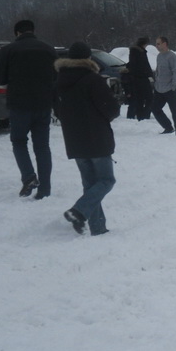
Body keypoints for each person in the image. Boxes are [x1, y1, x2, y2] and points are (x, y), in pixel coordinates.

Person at [54, 42, 119, 236]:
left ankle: (97, 227)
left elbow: (58, 111)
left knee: (90, 184)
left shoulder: (59, 81)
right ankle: (78, 211)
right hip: (96, 137)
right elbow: (111, 109)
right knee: (106, 180)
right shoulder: (93, 80)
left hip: (74, 140)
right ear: (88, 58)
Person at [0, 19, 58, 198]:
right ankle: (45, 189)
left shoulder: (8, 50)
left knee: (19, 141)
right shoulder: (48, 49)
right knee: (42, 146)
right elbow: (56, 76)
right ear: (33, 31)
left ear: (17, 33)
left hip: (19, 104)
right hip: (43, 103)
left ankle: (28, 176)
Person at [152, 36, 176, 137]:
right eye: (156, 44)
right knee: (155, 108)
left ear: (165, 44)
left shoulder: (172, 56)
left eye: (158, 43)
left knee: (175, 112)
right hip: (159, 89)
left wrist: (173, 86)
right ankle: (168, 127)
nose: (156, 46)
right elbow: (158, 71)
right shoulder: (159, 56)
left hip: (171, 89)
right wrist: (156, 83)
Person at [126, 37, 154, 120]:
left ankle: (141, 115)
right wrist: (148, 73)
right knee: (148, 98)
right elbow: (139, 65)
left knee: (140, 99)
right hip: (141, 78)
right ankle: (144, 115)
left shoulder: (137, 51)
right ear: (144, 44)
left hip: (139, 78)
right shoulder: (139, 52)